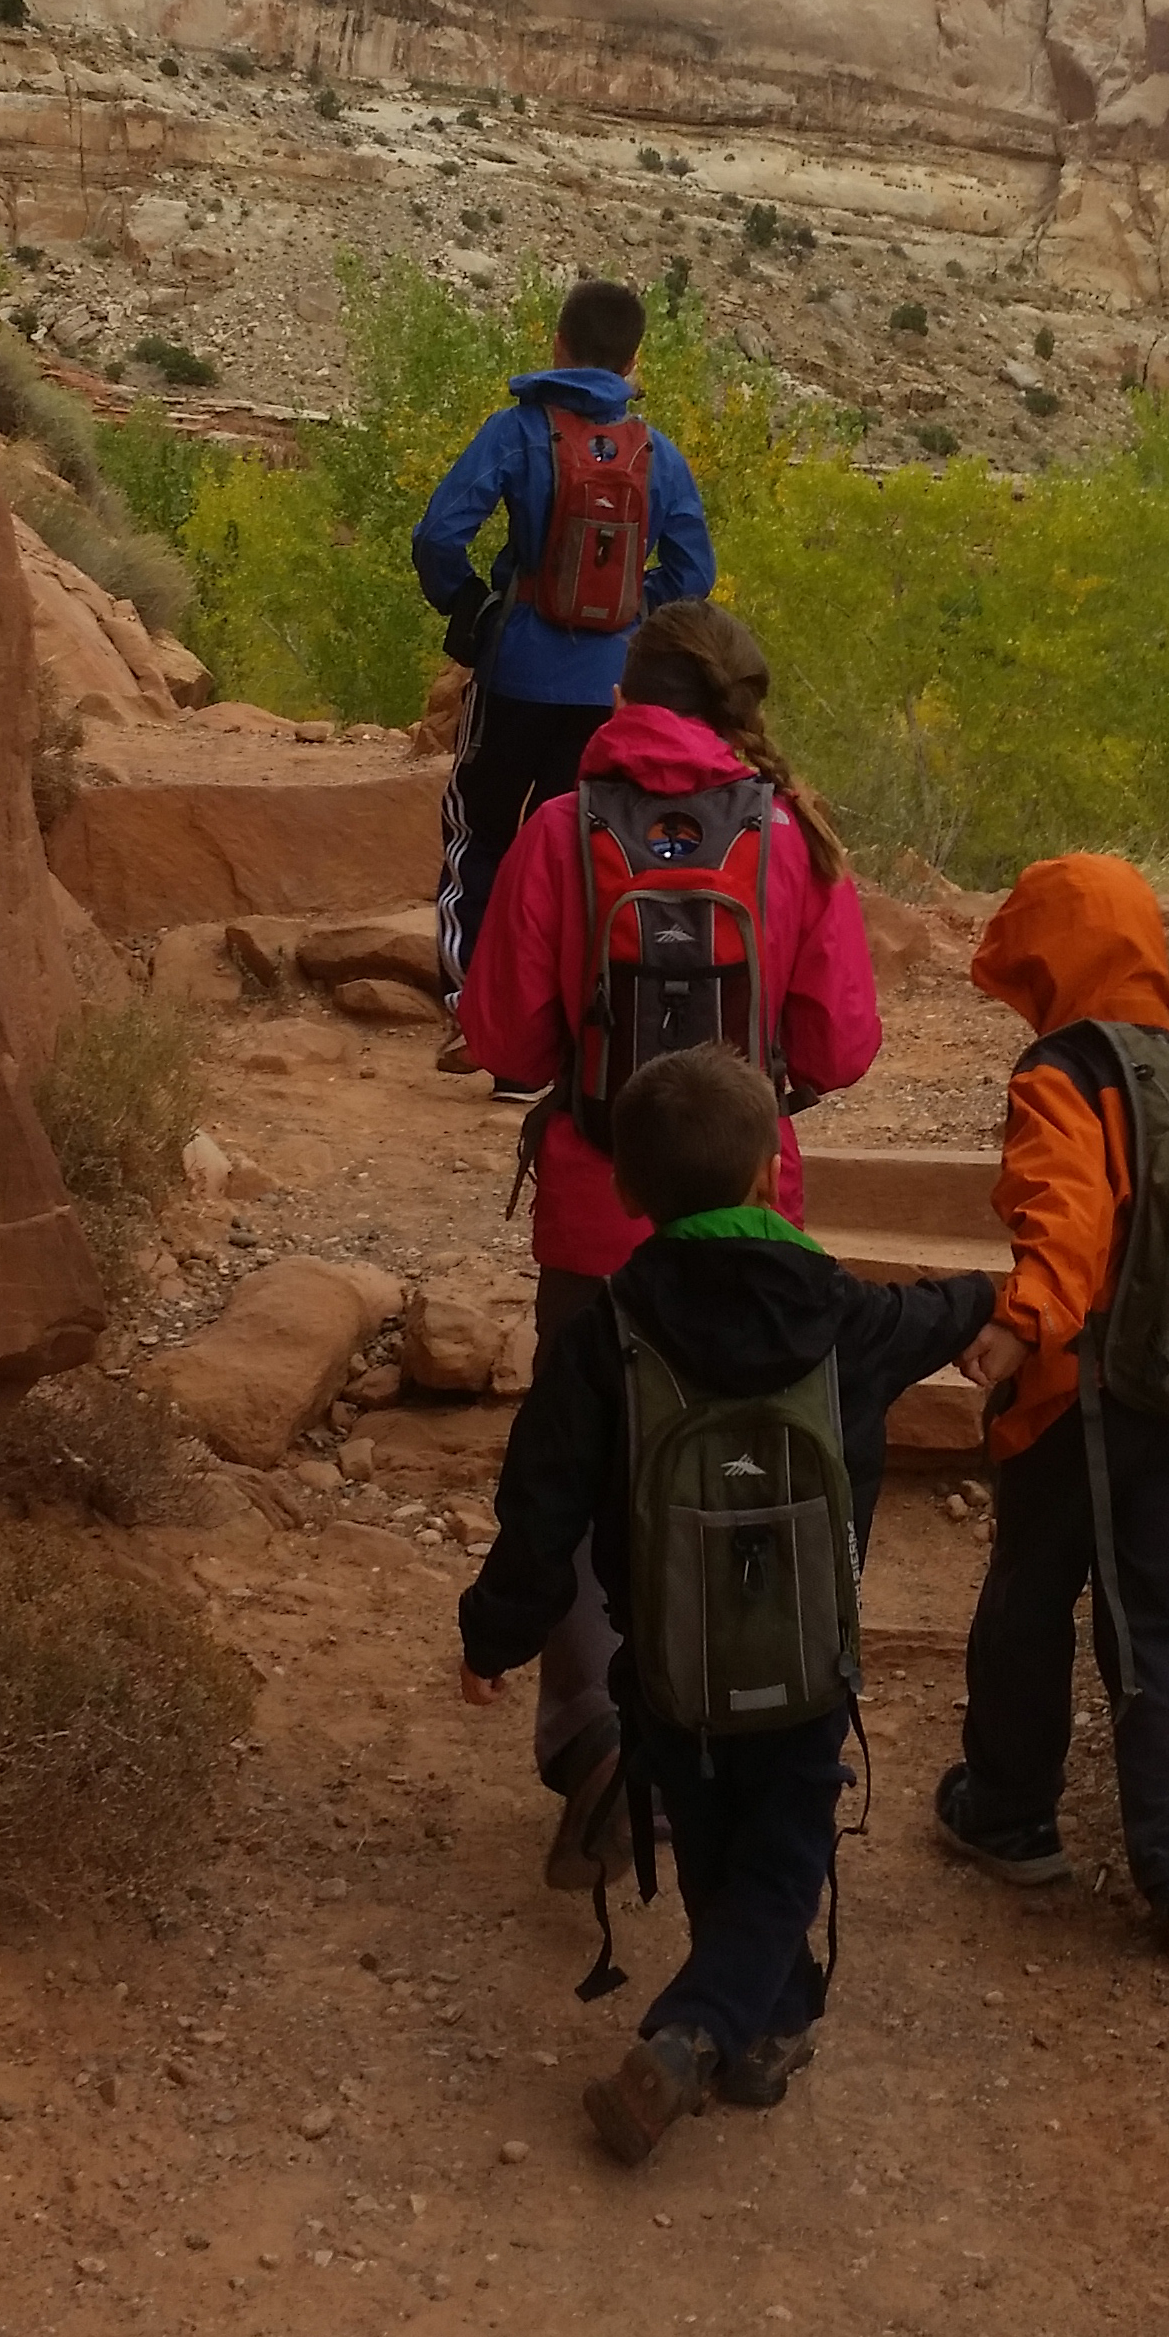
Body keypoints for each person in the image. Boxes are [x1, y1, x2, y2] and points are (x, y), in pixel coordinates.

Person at [458, 1040, 994, 2160]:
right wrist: (1000, 1295)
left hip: (666, 1668)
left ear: (626, 1190)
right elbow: (936, 1317)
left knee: (710, 1839)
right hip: (804, 1665)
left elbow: (541, 1506)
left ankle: (762, 2026)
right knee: (787, 1850)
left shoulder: (606, 1332)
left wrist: (494, 1635)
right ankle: (700, 2033)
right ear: (769, 1175)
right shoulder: (842, 1315)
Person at [458, 598, 882, 1894]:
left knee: (588, 1472)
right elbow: (841, 1047)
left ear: (624, 698)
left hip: (599, 1217)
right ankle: (742, 1699)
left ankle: (594, 1741)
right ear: (740, 710)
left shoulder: (558, 830)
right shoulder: (793, 838)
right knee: (742, 1465)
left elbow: (504, 1041)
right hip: (754, 1219)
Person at [937, 852, 1169, 1957]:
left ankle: (1010, 1811)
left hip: (1082, 1398)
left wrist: (1021, 1326)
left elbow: (1067, 1216)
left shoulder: (1065, 1074)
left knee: (1029, 1598)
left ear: (1054, 956)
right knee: (1154, 1621)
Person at [412, 279, 715, 1011]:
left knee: (479, 834)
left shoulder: (516, 431)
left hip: (515, 669)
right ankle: (568, 1019)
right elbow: (694, 571)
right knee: (583, 850)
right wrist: (633, 615)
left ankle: (473, 1011)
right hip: (609, 692)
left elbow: (437, 538)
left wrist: (474, 607)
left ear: (557, 344)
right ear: (634, 359)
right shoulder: (657, 454)